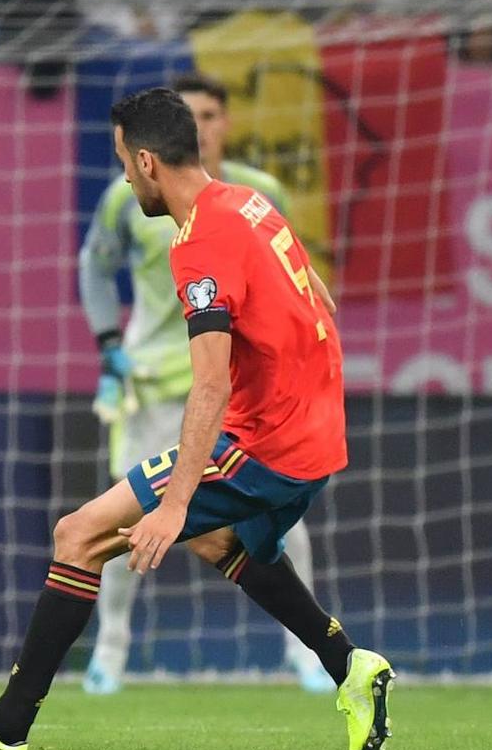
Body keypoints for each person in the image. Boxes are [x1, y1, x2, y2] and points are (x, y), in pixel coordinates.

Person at [0, 88, 394, 750]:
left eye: (125, 166)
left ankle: (5, 727)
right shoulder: (249, 202)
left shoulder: (197, 247)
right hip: (315, 432)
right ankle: (348, 662)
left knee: (78, 534)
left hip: (267, 441)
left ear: (146, 160)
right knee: (218, 542)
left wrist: (176, 502)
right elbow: (317, 288)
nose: (126, 180)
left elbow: (213, 383)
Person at [79, 72, 331, 695]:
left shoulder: (256, 195)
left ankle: (311, 651)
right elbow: (93, 264)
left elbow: (303, 286)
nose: (206, 124)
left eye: (212, 114)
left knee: (246, 523)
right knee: (124, 521)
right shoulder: (127, 198)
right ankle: (109, 651)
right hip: (160, 384)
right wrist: (110, 346)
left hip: (230, 393)